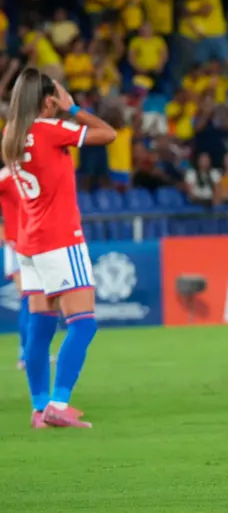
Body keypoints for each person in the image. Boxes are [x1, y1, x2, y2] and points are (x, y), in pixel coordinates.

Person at [2, 68, 116, 428]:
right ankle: (59, 403)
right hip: (61, 238)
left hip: (29, 241)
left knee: (41, 325)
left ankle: (39, 409)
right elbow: (108, 134)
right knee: (83, 324)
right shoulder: (50, 129)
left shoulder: (11, 136)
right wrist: (74, 107)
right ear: (49, 99)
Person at [0, 165, 28, 369]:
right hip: (16, 244)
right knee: (29, 298)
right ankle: (25, 355)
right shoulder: (5, 176)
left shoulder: (31, 172)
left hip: (36, 242)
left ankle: (32, 353)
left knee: (40, 301)